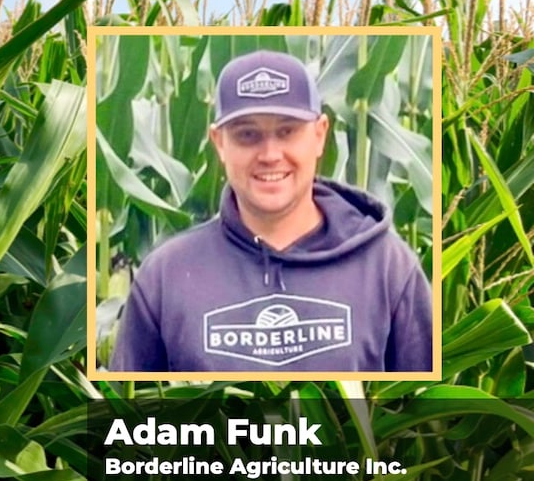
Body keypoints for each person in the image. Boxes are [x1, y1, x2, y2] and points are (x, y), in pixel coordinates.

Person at [109, 49, 433, 374]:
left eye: (287, 131)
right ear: (219, 143)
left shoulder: (388, 267)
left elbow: (425, 415)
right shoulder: (165, 276)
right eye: (248, 135)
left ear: (320, 135)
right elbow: (127, 417)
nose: (270, 154)